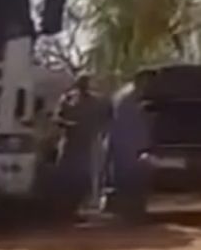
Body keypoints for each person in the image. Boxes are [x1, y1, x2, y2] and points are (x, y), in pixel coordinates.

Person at [54, 73, 110, 217]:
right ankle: (64, 209)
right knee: (66, 176)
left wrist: (100, 131)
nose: (84, 85)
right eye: (81, 82)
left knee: (84, 176)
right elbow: (57, 117)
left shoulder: (96, 101)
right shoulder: (68, 98)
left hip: (86, 143)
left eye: (86, 82)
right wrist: (68, 124)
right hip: (69, 142)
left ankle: (79, 207)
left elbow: (105, 118)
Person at [105, 72, 152, 222]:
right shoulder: (129, 97)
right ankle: (131, 214)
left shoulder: (127, 94)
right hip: (127, 145)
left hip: (128, 144)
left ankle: (133, 213)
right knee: (130, 180)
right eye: (147, 80)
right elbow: (129, 123)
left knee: (132, 180)